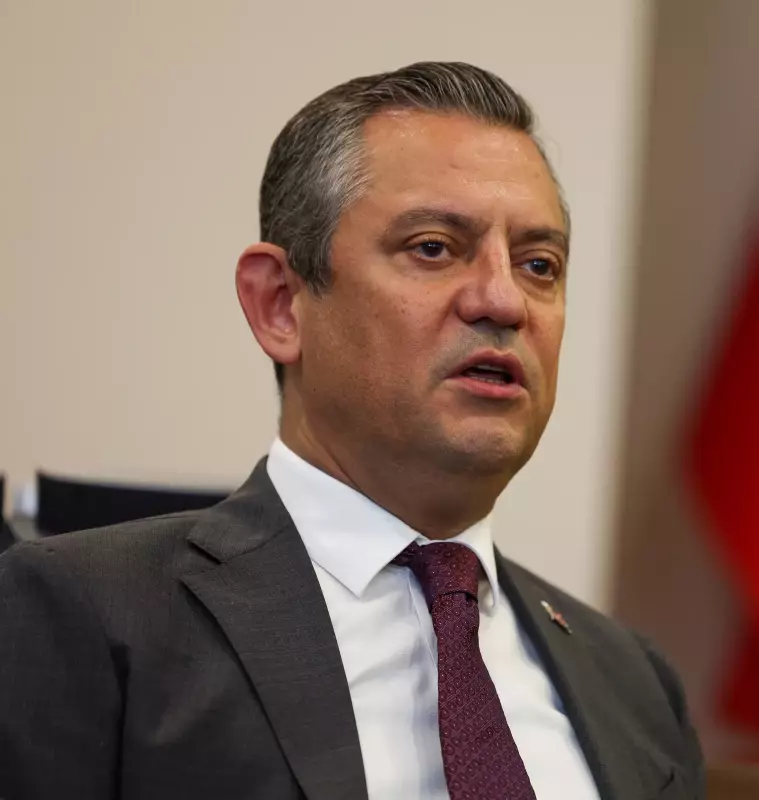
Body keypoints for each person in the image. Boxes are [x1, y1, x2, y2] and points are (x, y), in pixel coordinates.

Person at [0, 62, 703, 800]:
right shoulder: (83, 613)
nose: (503, 300)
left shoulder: (634, 683)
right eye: (433, 247)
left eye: (539, 264)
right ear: (280, 304)